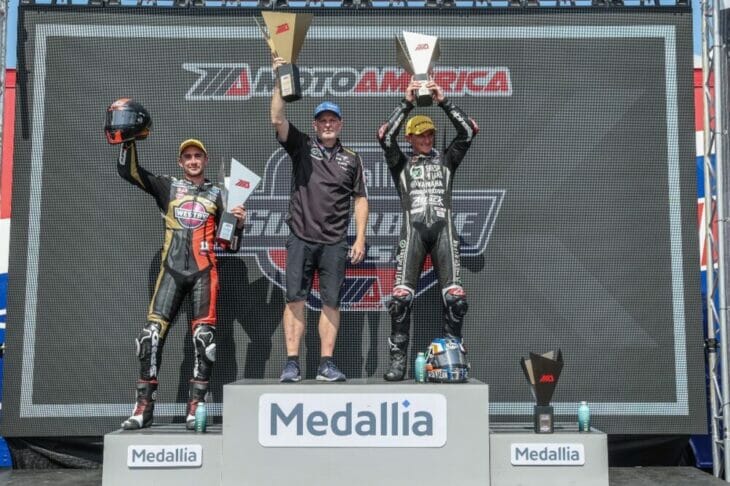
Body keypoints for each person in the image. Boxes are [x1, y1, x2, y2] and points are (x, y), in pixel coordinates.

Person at [116, 134, 247, 429]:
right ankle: (143, 408)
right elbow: (130, 172)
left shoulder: (219, 195)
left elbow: (230, 245)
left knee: (204, 340)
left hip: (204, 272)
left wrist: (239, 224)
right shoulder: (169, 187)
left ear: (205, 161)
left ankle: (195, 407)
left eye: (197, 156)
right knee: (150, 336)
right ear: (180, 162)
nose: (193, 161)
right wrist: (128, 141)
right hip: (171, 271)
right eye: (187, 157)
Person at [271, 56, 369, 383]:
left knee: (331, 302)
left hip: (334, 242)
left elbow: (360, 199)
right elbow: (277, 118)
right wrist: (279, 80)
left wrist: (360, 237)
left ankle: (326, 363)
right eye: (322, 120)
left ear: (340, 124)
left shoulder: (352, 159)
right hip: (301, 236)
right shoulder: (302, 146)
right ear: (315, 125)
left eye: (332, 120)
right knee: (295, 299)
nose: (327, 124)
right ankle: (292, 363)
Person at [376, 78, 478, 381]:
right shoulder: (400, 163)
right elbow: (385, 136)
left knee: (456, 301)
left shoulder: (447, 159)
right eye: (420, 134)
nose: (427, 138)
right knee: (400, 301)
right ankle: (398, 362)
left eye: (430, 133)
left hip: (444, 232)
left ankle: (453, 359)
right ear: (410, 137)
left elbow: (468, 131)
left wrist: (443, 101)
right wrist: (407, 103)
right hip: (413, 234)